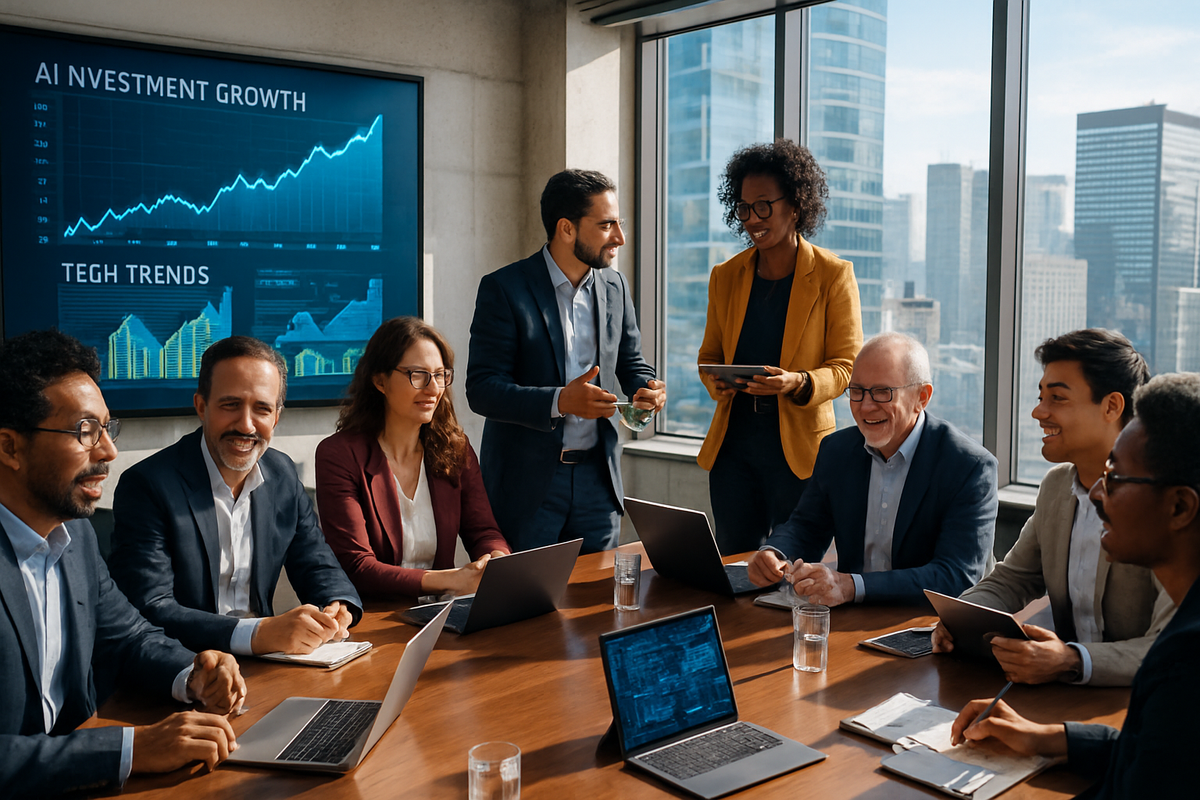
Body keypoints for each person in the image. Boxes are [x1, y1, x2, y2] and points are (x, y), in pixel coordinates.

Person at [0, 330, 245, 797]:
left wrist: (193, 673)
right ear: (10, 447)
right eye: (84, 432)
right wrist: (128, 750)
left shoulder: (75, 538)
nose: (109, 452)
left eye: (106, 430)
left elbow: (130, 637)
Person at [951, 373, 1200, 798]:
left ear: (1179, 506)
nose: (1098, 493)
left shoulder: (1185, 661)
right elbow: (1151, 752)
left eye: (1116, 478)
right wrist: (1045, 738)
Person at [934, 329, 1172, 686]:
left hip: (1137, 702)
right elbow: (1014, 578)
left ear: (1111, 406)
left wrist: (1072, 660)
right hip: (1060, 694)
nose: (1037, 411)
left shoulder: (1164, 505)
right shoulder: (1057, 486)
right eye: (1040, 396)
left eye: (1057, 398)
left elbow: (1172, 646)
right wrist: (962, 618)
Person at [109, 336, 362, 656]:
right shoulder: (148, 485)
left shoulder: (281, 473)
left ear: (276, 417)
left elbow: (317, 562)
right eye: (230, 405)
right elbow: (149, 608)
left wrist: (337, 604)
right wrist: (258, 633)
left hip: (270, 665)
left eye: (261, 409)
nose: (246, 425)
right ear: (201, 406)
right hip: (184, 668)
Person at [466, 169, 665, 554]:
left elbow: (630, 360)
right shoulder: (505, 288)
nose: (619, 238)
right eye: (606, 225)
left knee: (597, 607)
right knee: (525, 608)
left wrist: (647, 387)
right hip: (528, 486)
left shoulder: (615, 286)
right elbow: (482, 389)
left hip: (598, 481)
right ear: (566, 229)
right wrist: (559, 401)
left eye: (618, 224)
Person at [745, 332, 997, 607]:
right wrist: (776, 554)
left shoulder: (969, 467)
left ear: (921, 397)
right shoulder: (836, 450)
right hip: (851, 614)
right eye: (856, 391)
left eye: (881, 392)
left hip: (928, 623)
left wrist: (851, 586)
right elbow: (807, 526)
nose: (865, 406)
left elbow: (956, 576)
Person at [698, 139, 862, 554]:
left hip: (800, 450)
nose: (753, 218)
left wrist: (797, 382)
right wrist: (718, 381)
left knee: (793, 566)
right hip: (734, 447)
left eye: (764, 206)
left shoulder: (833, 275)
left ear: (795, 204)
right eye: (744, 207)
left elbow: (846, 366)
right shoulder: (726, 275)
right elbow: (709, 357)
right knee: (734, 561)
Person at [315, 317, 511, 599]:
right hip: (377, 619)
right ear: (380, 381)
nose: (433, 389)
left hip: (443, 611)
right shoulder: (339, 455)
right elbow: (356, 566)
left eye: (441, 375)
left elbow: (483, 531)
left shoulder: (455, 448)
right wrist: (452, 580)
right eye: (417, 375)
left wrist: (495, 559)